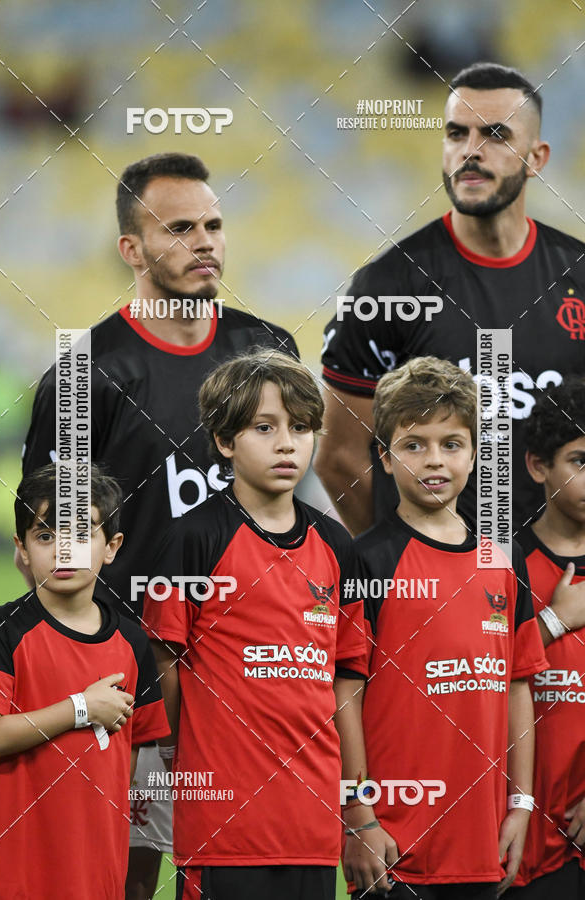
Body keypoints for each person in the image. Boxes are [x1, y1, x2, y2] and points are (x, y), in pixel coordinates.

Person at [19, 152, 299, 897]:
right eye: (179, 229)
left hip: (256, 670)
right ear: (132, 250)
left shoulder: (267, 349)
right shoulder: (84, 375)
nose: (204, 241)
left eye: (213, 224)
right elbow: (52, 536)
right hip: (134, 672)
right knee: (125, 876)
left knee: (251, 872)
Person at [316, 61, 585, 536]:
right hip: (442, 595)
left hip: (567, 580)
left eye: (496, 135)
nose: (470, 152)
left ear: (537, 157)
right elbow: (340, 459)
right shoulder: (386, 287)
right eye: (456, 134)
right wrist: (403, 566)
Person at [142, 350, 368, 900]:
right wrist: (182, 765)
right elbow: (164, 666)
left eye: (300, 428)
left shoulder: (338, 546)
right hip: (223, 829)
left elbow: (346, 684)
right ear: (225, 442)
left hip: (313, 830)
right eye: (264, 428)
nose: (286, 443)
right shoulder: (193, 538)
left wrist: (357, 807)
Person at [344, 357, 548, 897]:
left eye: (451, 444)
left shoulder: (503, 556)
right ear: (385, 459)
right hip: (394, 846)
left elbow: (518, 682)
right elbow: (344, 693)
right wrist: (359, 813)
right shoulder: (367, 560)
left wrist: (521, 806)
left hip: (484, 842)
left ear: (476, 454)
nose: (434, 460)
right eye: (414, 445)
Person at [0, 464, 169, 900]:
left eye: (81, 533)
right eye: (46, 535)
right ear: (23, 549)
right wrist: (80, 709)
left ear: (112, 546)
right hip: (13, 877)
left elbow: (134, 761)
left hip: (98, 876)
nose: (64, 550)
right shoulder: (1, 631)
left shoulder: (132, 640)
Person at [505, 379, 585, 898]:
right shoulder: (497, 565)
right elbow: (469, 678)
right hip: (517, 843)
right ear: (538, 467)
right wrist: (555, 621)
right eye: (580, 460)